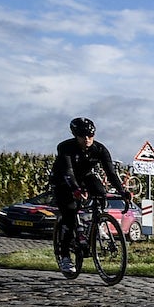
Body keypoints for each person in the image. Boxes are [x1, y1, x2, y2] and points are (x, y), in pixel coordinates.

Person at [51, 117, 132, 276]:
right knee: (70, 212)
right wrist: (75, 189)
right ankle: (65, 254)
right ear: (75, 135)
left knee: (101, 193)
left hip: (84, 176)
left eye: (90, 135)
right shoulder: (65, 147)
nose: (87, 139)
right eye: (82, 136)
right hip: (62, 180)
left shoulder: (99, 149)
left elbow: (111, 173)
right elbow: (68, 172)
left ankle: (97, 223)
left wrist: (123, 192)